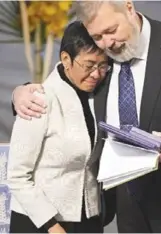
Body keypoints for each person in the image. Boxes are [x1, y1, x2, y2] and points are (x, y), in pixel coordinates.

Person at [11, 0, 161, 232]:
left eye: (111, 30)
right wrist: (22, 93)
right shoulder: (102, 61)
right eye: (97, 36)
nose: (107, 42)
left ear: (129, 8)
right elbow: (68, 74)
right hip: (129, 210)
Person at [7, 21, 114, 233]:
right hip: (39, 222)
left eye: (103, 66)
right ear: (66, 59)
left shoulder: (102, 95)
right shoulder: (37, 100)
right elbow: (17, 176)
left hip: (88, 219)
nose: (96, 74)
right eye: (89, 65)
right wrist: (51, 225)